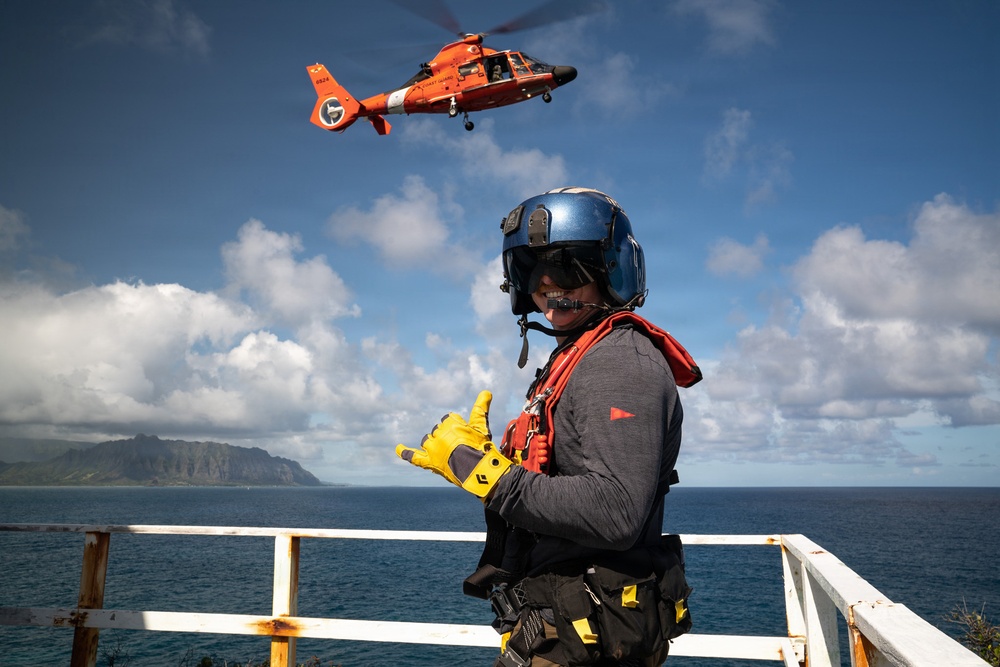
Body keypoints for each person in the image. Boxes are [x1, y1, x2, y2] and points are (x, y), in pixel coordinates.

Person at [396, 187, 701, 666]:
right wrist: (493, 460)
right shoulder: (577, 357)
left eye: (566, 268)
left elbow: (615, 511)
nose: (547, 286)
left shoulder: (620, 362)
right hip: (559, 630)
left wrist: (483, 473)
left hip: (590, 642)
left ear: (610, 270)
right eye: (531, 271)